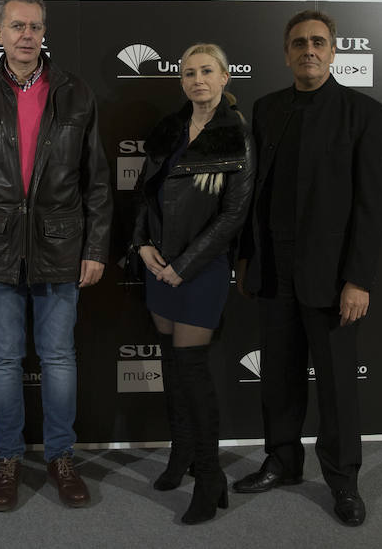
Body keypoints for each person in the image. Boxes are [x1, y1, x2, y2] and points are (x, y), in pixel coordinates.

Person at [233, 11, 382, 526]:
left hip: (333, 278)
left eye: (318, 42)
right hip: (274, 271)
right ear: (286, 52)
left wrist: (359, 278)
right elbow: (254, 194)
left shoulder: (363, 112)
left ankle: (344, 482)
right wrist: (248, 259)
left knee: (339, 387)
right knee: (278, 376)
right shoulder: (267, 108)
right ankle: (282, 461)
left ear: (334, 50)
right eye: (299, 43)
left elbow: (372, 204)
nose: (309, 50)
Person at [0, 0, 112, 511]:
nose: (27, 34)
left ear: (44, 33)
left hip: (59, 249)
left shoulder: (76, 94)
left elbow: (97, 181)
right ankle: (7, 460)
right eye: (17, 25)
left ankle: (60, 457)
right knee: (4, 360)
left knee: (58, 358)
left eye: (35, 26)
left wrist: (95, 247)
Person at [131, 43, 255, 524]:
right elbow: (147, 192)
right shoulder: (168, 130)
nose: (197, 79)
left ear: (225, 77)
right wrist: (142, 245)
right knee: (171, 365)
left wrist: (184, 265)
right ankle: (181, 455)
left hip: (199, 271)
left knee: (192, 371)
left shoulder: (236, 137)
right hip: (157, 265)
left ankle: (210, 478)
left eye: (207, 71)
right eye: (188, 73)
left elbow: (233, 217)